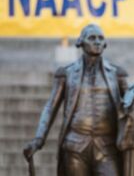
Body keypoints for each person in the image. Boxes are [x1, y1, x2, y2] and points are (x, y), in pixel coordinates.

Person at [23, 24, 128, 176]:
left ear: (105, 43)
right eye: (92, 38)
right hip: (75, 146)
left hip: (107, 146)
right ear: (81, 42)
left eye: (100, 38)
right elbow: (51, 107)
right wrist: (39, 139)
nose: (97, 42)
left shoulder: (117, 73)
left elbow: (133, 104)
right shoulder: (66, 73)